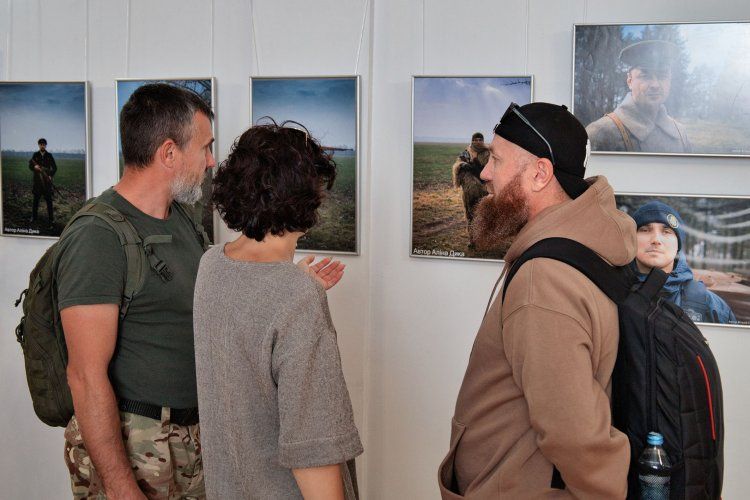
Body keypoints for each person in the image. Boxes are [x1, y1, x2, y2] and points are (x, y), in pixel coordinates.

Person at [55, 84, 342, 499]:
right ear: (169, 153)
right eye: (205, 147)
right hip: (139, 446)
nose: (211, 160)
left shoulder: (183, 220)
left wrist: (287, 289)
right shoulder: (97, 237)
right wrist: (121, 489)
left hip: (195, 444)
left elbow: (220, 304)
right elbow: (84, 376)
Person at [438, 102, 635, 498]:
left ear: (540, 173)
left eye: (497, 160)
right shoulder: (577, 243)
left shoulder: (543, 279)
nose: (486, 173)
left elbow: (576, 435)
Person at [193, 122, 363, 499]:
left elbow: (246, 334)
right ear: (305, 196)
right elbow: (313, 448)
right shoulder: (295, 296)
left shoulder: (212, 265)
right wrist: (296, 293)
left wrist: (293, 288)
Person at [632, 200, 736, 324]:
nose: (656, 240)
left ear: (678, 245)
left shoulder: (712, 306)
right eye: (645, 230)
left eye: (666, 232)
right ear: (631, 239)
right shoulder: (613, 294)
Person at [586, 39, 692, 153]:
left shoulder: (680, 133)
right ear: (629, 81)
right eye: (645, 76)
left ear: (670, 80)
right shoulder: (600, 133)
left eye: (662, 76)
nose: (655, 85)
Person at [452, 132, 490, 247]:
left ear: (483, 141)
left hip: (484, 191)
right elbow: (458, 164)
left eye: (480, 140)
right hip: (469, 192)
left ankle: (483, 238)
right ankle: (472, 240)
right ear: (472, 140)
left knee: (483, 215)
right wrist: (462, 166)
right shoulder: (466, 152)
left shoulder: (487, 153)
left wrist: (474, 165)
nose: (478, 142)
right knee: (470, 215)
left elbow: (486, 172)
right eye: (475, 140)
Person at [29, 137, 57, 226]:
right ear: (39, 145)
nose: (42, 146)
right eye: (41, 144)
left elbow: (55, 168)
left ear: (46, 145)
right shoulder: (35, 155)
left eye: (44, 144)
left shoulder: (49, 155)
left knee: (49, 201)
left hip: (47, 182)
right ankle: (34, 217)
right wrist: (34, 167)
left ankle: (51, 219)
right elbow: (30, 166)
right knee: (35, 201)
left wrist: (50, 175)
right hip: (37, 182)